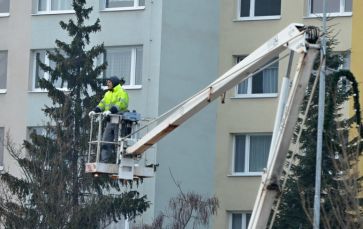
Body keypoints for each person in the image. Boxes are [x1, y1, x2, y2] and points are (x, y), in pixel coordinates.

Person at [89, 76, 129, 163]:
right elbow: (102, 104)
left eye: (109, 82)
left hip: (120, 120)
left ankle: (121, 161)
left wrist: (111, 111)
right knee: (106, 140)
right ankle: (104, 160)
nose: (107, 84)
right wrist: (95, 110)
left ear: (114, 83)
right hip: (110, 120)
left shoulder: (122, 92)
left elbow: (122, 104)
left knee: (119, 142)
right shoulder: (108, 94)